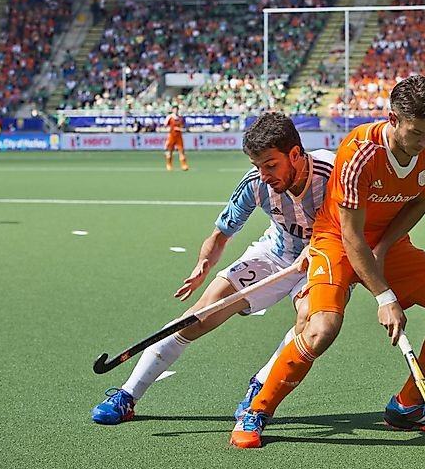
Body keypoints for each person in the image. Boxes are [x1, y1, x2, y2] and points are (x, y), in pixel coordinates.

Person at [231, 75, 425, 449]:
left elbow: (420, 201)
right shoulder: (358, 151)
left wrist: (384, 248)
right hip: (336, 240)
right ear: (393, 119)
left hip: (386, 242)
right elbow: (350, 235)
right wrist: (385, 297)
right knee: (321, 329)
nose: (423, 143)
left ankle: (407, 407)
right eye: (416, 133)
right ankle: (259, 409)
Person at [91, 112, 335, 424]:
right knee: (198, 316)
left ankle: (260, 387)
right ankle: (128, 394)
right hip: (276, 254)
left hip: (326, 259)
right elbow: (220, 235)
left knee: (309, 321)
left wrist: (318, 249)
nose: (263, 175)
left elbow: (358, 226)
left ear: (296, 154)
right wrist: (203, 265)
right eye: (257, 166)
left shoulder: (331, 173)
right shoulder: (255, 184)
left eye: (271, 165)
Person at [164, 106, 188, 171]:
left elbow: (184, 127)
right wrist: (170, 129)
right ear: (172, 110)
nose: (176, 111)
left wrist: (180, 129)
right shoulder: (170, 117)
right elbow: (165, 125)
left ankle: (184, 165)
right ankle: (169, 164)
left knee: (181, 151)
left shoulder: (181, 118)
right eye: (174, 109)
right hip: (172, 136)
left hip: (179, 136)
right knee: (169, 151)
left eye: (177, 109)